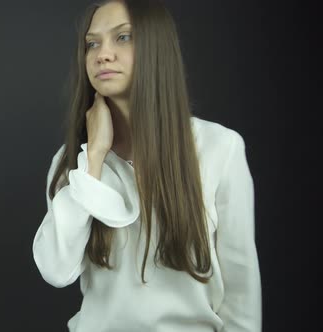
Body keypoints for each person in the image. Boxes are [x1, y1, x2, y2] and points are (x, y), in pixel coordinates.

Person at [31, 0, 262, 331]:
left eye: (122, 37)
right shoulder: (73, 163)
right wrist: (94, 157)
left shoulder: (219, 149)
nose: (102, 54)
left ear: (156, 47)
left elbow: (242, 292)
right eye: (92, 43)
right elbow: (56, 270)